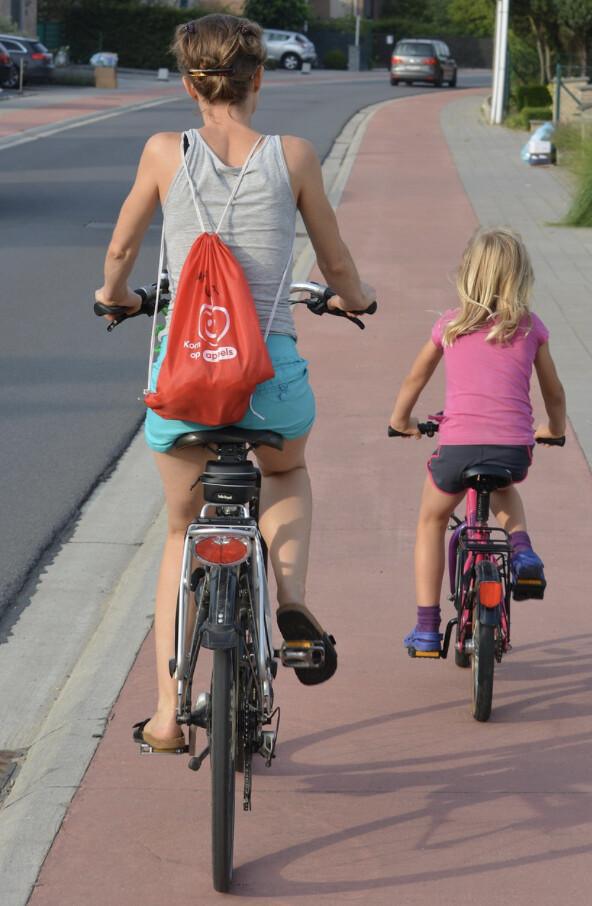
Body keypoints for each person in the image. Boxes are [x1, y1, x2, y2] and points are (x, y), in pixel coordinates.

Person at [95, 14, 374, 749]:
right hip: (267, 374)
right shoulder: (296, 156)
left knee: (181, 528)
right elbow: (337, 265)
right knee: (288, 467)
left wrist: (115, 296)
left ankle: (163, 711)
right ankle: (290, 597)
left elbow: (124, 245)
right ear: (260, 79)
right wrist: (354, 297)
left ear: (190, 84)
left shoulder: (164, 151)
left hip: (184, 375)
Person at [388, 227, 566, 654]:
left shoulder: (448, 326)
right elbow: (553, 391)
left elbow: (416, 377)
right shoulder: (529, 327)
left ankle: (428, 629)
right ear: (519, 278)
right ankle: (522, 552)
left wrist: (401, 421)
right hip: (512, 449)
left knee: (431, 520)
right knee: (505, 486)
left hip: (457, 450)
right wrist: (554, 430)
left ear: (467, 274)